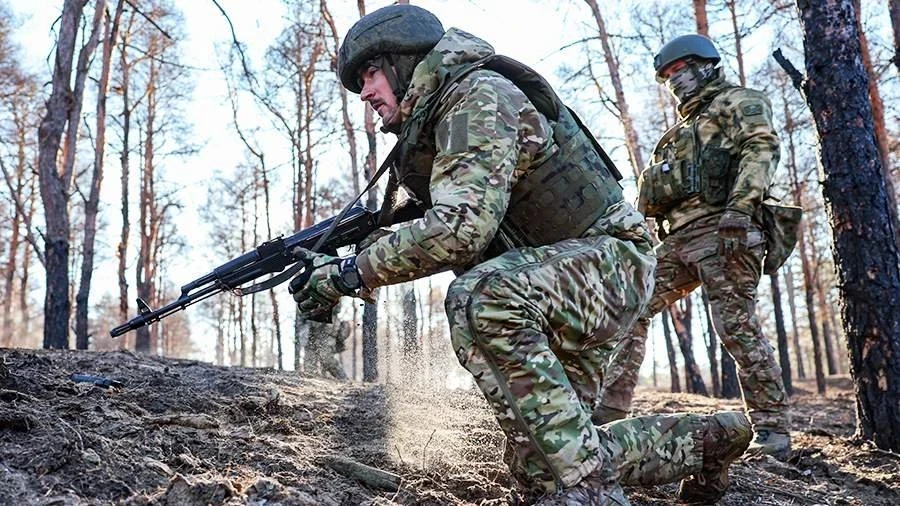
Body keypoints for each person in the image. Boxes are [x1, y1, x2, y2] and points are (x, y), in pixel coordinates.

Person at [291, 5, 751, 503]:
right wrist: (349, 264)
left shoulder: (477, 96)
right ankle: (710, 441)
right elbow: (448, 226)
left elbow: (459, 231)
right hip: (562, 282)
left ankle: (591, 492)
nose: (364, 93)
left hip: (609, 265)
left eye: (369, 74)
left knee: (480, 299)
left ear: (401, 62)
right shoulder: (435, 125)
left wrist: (347, 274)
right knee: (547, 462)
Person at [624, 33, 790, 459]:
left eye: (681, 70)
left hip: (726, 230)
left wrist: (740, 209)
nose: (675, 81)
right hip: (678, 239)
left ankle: (772, 432)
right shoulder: (676, 135)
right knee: (629, 307)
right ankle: (606, 415)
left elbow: (761, 148)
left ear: (706, 65)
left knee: (736, 326)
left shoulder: (737, 101)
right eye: (668, 76)